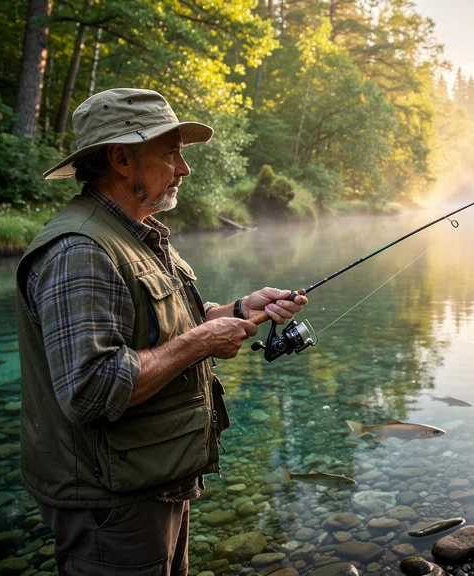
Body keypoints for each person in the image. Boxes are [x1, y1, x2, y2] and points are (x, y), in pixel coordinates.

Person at [15, 88, 307, 575]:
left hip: (149, 481)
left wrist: (237, 309)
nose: (184, 168)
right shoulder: (80, 252)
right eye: (170, 152)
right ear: (122, 159)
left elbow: (165, 329)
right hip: (110, 504)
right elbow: (91, 388)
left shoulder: (136, 233)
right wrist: (202, 343)